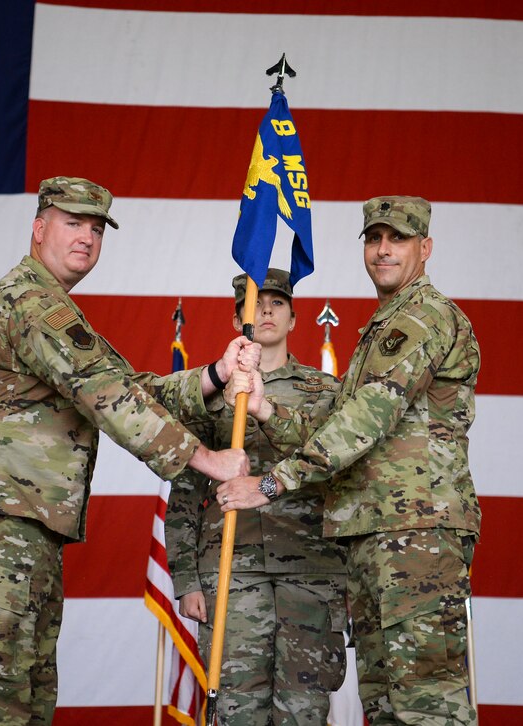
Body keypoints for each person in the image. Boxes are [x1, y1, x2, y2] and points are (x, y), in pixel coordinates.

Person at [0, 175, 253, 725]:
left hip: (20, 530)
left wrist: (217, 376)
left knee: (24, 705)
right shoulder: (30, 303)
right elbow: (105, 396)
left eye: (97, 228)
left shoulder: (52, 309)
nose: (86, 237)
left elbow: (123, 388)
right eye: (73, 223)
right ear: (38, 229)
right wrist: (208, 461)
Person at [217, 197, 481, 725]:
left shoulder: (423, 316)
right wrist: (266, 408)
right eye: (374, 238)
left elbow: (366, 420)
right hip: (374, 534)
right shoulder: (381, 328)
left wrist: (269, 485)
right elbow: (333, 429)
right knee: (385, 706)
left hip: (416, 533)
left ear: (424, 248)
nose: (383, 250)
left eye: (398, 238)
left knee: (425, 706)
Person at [165, 269, 347, 725]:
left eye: (276, 303)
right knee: (235, 708)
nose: (265, 311)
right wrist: (186, 579)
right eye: (254, 304)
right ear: (236, 321)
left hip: (310, 572)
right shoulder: (209, 396)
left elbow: (338, 472)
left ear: (293, 319)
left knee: (303, 712)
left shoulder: (326, 394)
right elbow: (186, 492)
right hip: (231, 571)